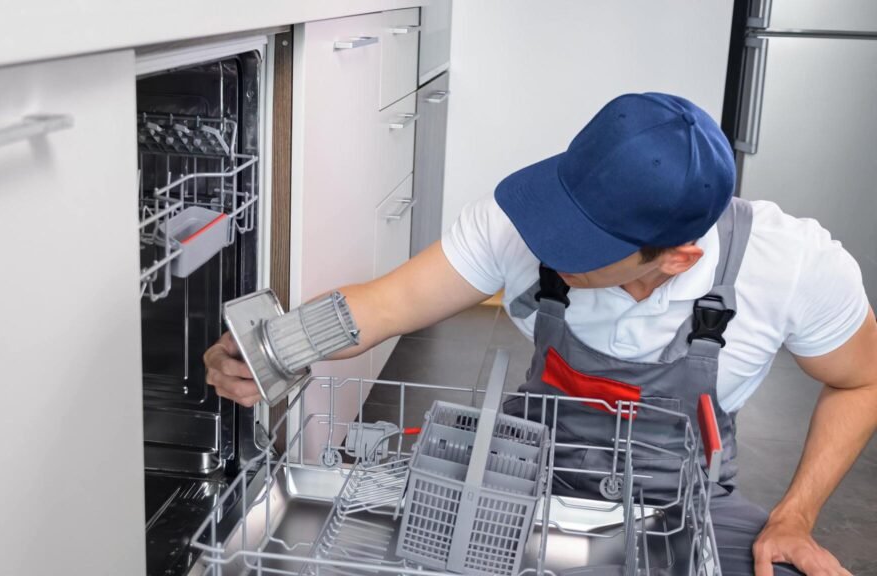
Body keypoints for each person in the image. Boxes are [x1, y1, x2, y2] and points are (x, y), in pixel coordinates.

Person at [204, 93, 876, 575]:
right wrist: (267, 344)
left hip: (681, 509)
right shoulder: (516, 221)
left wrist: (797, 515)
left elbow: (864, 380)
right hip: (516, 483)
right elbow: (382, 305)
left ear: (675, 258)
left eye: (579, 244)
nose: (544, 243)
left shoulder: (792, 267)